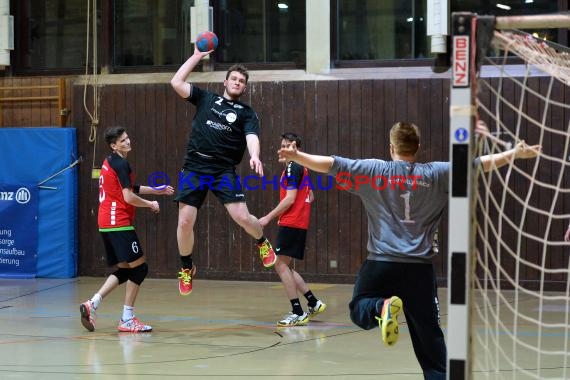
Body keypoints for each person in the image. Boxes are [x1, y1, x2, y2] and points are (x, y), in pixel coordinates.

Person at [277, 121, 541, 379]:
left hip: (381, 264)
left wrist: (297, 156)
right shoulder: (438, 174)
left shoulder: (375, 171)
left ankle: (380, 308)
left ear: (391, 147)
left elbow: (332, 164)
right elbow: (480, 164)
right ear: (418, 147)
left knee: (359, 308)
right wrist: (515, 153)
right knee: (431, 343)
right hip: (420, 271)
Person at [170, 45, 276, 296]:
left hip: (222, 170)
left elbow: (252, 136)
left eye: (242, 81)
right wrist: (197, 55)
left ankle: (262, 242)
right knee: (185, 221)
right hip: (195, 166)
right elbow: (176, 82)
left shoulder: (246, 113)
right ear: (225, 81)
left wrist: (255, 156)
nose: (238, 83)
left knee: (242, 217)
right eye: (234, 79)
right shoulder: (206, 98)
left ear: (244, 87)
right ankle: (186, 267)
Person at [80, 126, 174, 333]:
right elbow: (129, 197)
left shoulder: (110, 162)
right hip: (118, 222)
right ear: (114, 145)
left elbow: (130, 188)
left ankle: (92, 303)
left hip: (106, 223)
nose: (128, 142)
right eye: (123, 141)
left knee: (125, 270)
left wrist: (157, 191)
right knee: (140, 268)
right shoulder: (121, 163)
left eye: (128, 138)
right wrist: (150, 204)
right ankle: (127, 318)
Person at [259, 132, 327, 327]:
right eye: (282, 144)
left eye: (287, 145)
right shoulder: (301, 168)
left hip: (291, 223)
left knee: (279, 265)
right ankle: (313, 302)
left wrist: (268, 217)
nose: (282, 148)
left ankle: (298, 312)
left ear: (295, 148)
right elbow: (311, 196)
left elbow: (289, 199)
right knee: (285, 266)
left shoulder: (292, 167)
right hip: (298, 223)